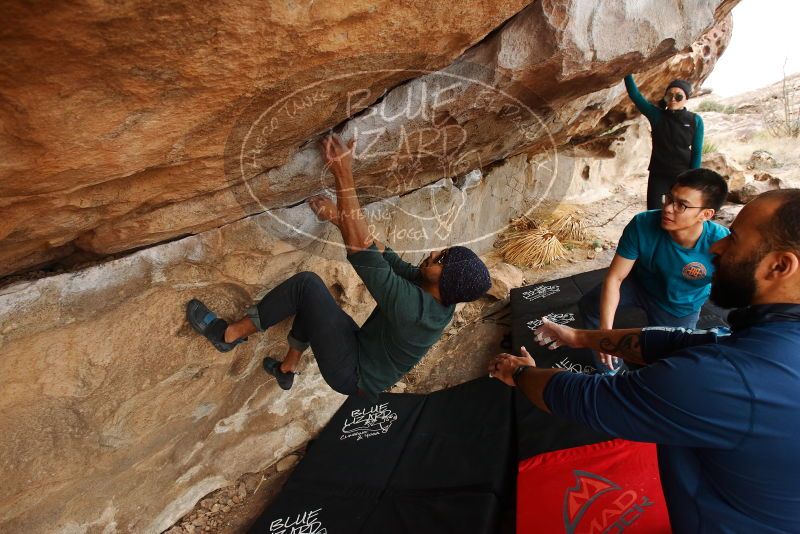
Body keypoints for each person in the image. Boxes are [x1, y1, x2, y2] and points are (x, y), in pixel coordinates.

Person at [489, 189, 800, 533]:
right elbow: (685, 340)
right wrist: (579, 337)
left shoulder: (725, 379)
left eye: (735, 239)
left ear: (780, 266)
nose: (717, 248)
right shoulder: (776, 335)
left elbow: (588, 398)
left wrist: (519, 373)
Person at [186, 134, 491, 399]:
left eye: (440, 260)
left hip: (352, 375)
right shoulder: (438, 293)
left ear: (444, 283)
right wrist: (336, 217)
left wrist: (343, 173)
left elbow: (361, 250)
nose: (434, 253)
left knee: (307, 286)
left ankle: (227, 335)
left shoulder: (415, 311)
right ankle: (287, 368)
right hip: (361, 354)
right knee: (319, 307)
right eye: (442, 252)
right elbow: (384, 253)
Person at [579, 168, 729, 372]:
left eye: (681, 205)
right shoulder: (642, 223)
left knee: (673, 362)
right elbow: (615, 278)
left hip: (680, 305)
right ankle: (610, 371)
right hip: (639, 285)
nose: (668, 208)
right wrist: (605, 337)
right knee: (591, 305)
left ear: (706, 214)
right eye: (669, 199)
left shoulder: (722, 244)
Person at [625, 74, 704, 210]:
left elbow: (696, 151)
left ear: (686, 99)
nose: (673, 99)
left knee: (677, 212)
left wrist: (693, 180)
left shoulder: (695, 120)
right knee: (653, 211)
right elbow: (635, 95)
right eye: (669, 95)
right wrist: (627, 71)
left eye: (678, 96)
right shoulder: (657, 116)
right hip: (658, 173)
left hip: (682, 175)